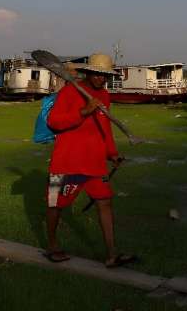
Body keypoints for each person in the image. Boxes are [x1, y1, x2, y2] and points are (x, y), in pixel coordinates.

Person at [44, 53, 135, 268]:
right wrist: (84, 111)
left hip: (95, 164)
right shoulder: (69, 91)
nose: (100, 79)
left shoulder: (104, 96)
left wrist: (111, 153)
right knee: (55, 204)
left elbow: (104, 127)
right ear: (88, 72)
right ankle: (52, 245)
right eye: (97, 74)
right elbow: (54, 122)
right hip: (66, 162)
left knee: (105, 202)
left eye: (104, 76)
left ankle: (112, 254)